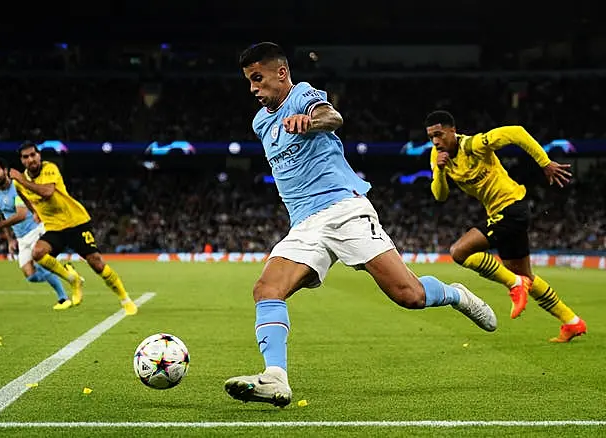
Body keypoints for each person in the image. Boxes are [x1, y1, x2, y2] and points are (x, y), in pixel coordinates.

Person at [224, 42, 497, 408]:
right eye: (249, 82)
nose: (253, 89)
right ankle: (275, 378)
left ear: (281, 73)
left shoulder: (303, 95)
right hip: (304, 224)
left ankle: (455, 294)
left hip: (343, 209)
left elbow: (332, 117)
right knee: (266, 289)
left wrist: (310, 121)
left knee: (409, 296)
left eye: (258, 79)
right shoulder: (260, 122)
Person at [424, 110, 586, 343]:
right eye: (431, 137)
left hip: (512, 209)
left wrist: (545, 163)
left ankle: (514, 284)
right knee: (525, 275)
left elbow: (516, 132)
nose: (436, 141)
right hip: (501, 214)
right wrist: (439, 170)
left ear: (452, 130)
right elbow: (440, 196)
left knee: (459, 252)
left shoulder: (475, 144)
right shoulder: (437, 157)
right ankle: (571, 321)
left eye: (439, 134)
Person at [11, 142, 138, 315]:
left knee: (96, 263)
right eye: (26, 157)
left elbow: (47, 192)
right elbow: (24, 196)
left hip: (75, 221)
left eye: (33, 155)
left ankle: (125, 299)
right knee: (38, 253)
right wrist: (34, 211)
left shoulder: (49, 168)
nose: (30, 159)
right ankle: (73, 279)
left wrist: (22, 180)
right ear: (21, 160)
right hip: (54, 227)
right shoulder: (20, 183)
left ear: (39, 155)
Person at [0, 157, 71, 310]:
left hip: (36, 230)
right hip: (21, 238)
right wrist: (10, 240)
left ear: (5, 171)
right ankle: (66, 272)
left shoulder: (17, 187)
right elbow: (2, 215)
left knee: (42, 265)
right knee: (31, 276)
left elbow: (21, 214)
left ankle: (63, 298)